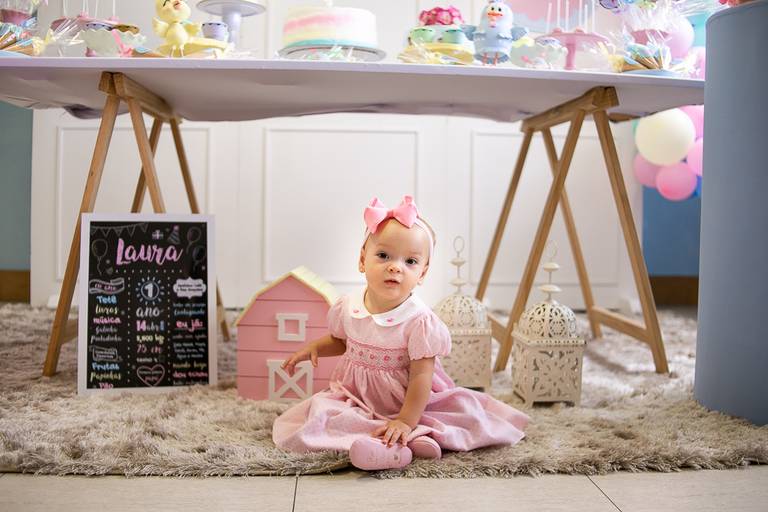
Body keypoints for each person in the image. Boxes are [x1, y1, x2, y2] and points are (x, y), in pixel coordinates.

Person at [272, 195, 529, 470]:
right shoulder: (349, 306)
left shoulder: (418, 321)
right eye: (383, 256)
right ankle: (396, 443)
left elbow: (421, 376)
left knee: (456, 417)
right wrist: (314, 348)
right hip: (357, 397)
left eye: (410, 261)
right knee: (325, 414)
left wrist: (406, 420)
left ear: (423, 273)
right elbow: (341, 342)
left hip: (409, 401)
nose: (395, 266)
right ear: (362, 260)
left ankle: (407, 438)